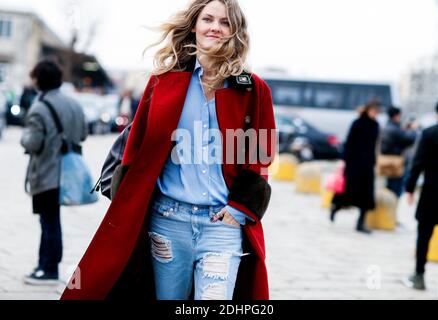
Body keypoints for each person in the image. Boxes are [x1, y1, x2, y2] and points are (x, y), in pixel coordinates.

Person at [61, 0, 276, 300]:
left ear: (235, 31)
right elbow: (137, 145)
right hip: (168, 220)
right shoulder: (163, 82)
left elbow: (261, 150)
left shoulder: (253, 89)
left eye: (225, 22)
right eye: (208, 19)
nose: (215, 27)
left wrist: (240, 209)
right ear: (194, 26)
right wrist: (129, 198)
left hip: (222, 226)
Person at [20, 59, 87, 285]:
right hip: (68, 172)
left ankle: (48, 270)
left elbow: (32, 143)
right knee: (51, 220)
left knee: (48, 222)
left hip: (47, 173)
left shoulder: (39, 107)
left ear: (39, 79)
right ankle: (44, 266)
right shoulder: (74, 104)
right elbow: (83, 134)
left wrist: (24, 137)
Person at [403, 96, 438, 300]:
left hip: (431, 193)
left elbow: (418, 163)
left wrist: (410, 188)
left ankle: (419, 276)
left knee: (423, 237)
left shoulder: (430, 133)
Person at [329, 99, 381, 234]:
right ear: (368, 110)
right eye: (374, 110)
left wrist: (374, 162)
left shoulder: (375, 125)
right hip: (354, 163)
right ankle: (336, 207)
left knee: (367, 195)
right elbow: (349, 143)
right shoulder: (357, 123)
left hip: (368, 165)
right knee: (348, 190)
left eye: (377, 111)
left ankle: (360, 223)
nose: (376, 113)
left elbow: (373, 146)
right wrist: (344, 161)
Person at [380, 106, 417, 198]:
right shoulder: (394, 129)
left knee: (389, 187)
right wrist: (413, 130)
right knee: (395, 190)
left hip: (387, 161)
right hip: (395, 163)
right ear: (396, 116)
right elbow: (409, 139)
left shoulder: (388, 126)